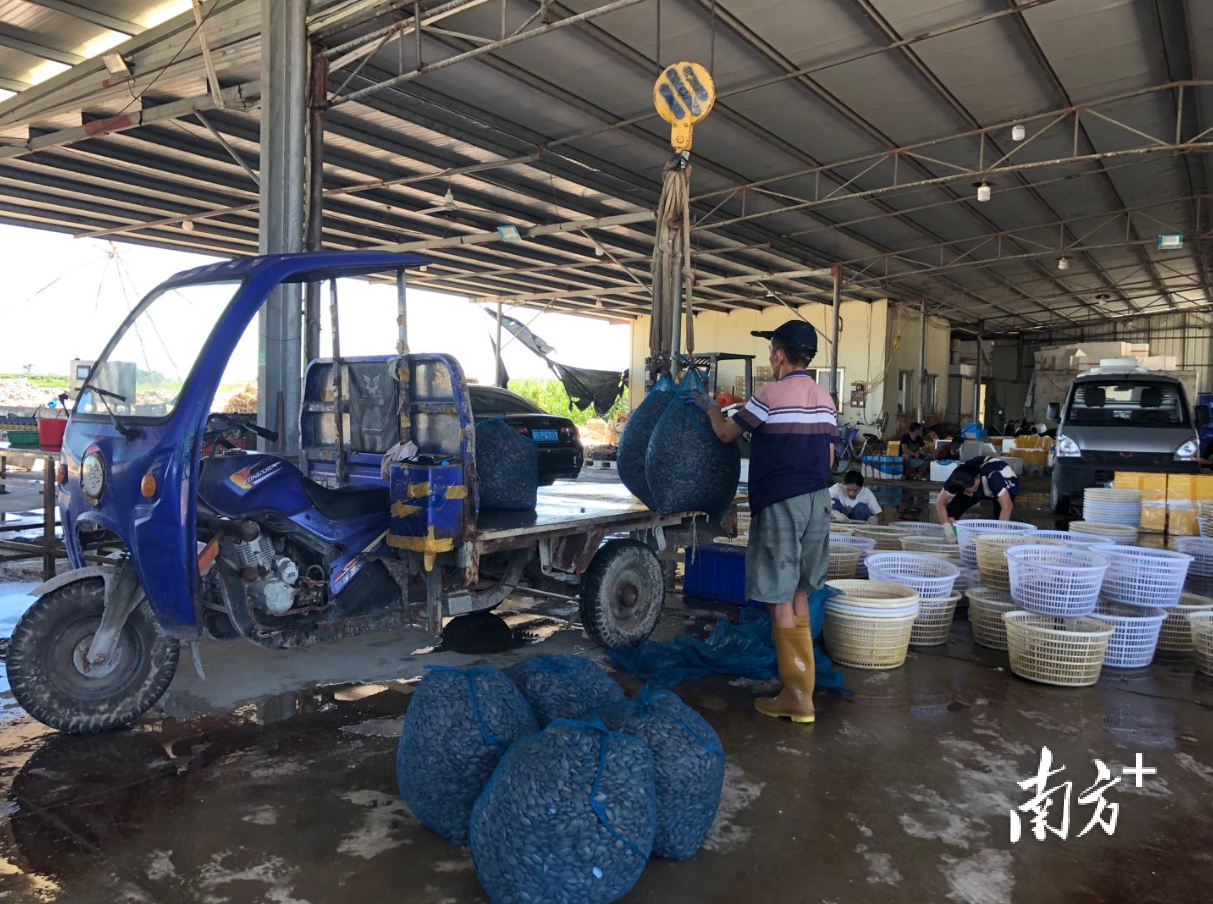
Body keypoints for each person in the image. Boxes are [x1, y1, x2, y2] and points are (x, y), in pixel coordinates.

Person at [697, 319, 834, 725]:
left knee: (777, 597)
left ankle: (796, 699)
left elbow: (724, 433)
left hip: (781, 502)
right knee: (800, 595)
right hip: (818, 501)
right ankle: (803, 692)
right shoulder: (826, 399)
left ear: (778, 355)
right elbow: (827, 459)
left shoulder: (769, 394)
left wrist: (710, 408)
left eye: (771, 352)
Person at [935, 456, 1019, 525]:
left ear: (978, 477)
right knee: (951, 512)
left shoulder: (995, 476)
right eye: (968, 492)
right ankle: (956, 535)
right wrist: (947, 528)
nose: (971, 493)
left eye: (974, 490)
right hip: (972, 483)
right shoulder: (957, 480)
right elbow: (939, 504)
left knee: (998, 519)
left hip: (1006, 484)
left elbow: (1007, 507)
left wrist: (1000, 534)